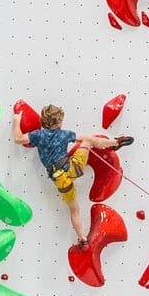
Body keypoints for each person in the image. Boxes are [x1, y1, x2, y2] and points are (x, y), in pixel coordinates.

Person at [13, 103, 129, 244]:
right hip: (73, 168)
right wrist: (103, 142)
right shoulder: (63, 134)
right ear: (58, 122)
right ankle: (115, 143)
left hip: (60, 179)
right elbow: (86, 139)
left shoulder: (38, 135)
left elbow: (18, 139)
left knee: (74, 209)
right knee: (88, 139)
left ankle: (82, 238)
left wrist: (17, 120)